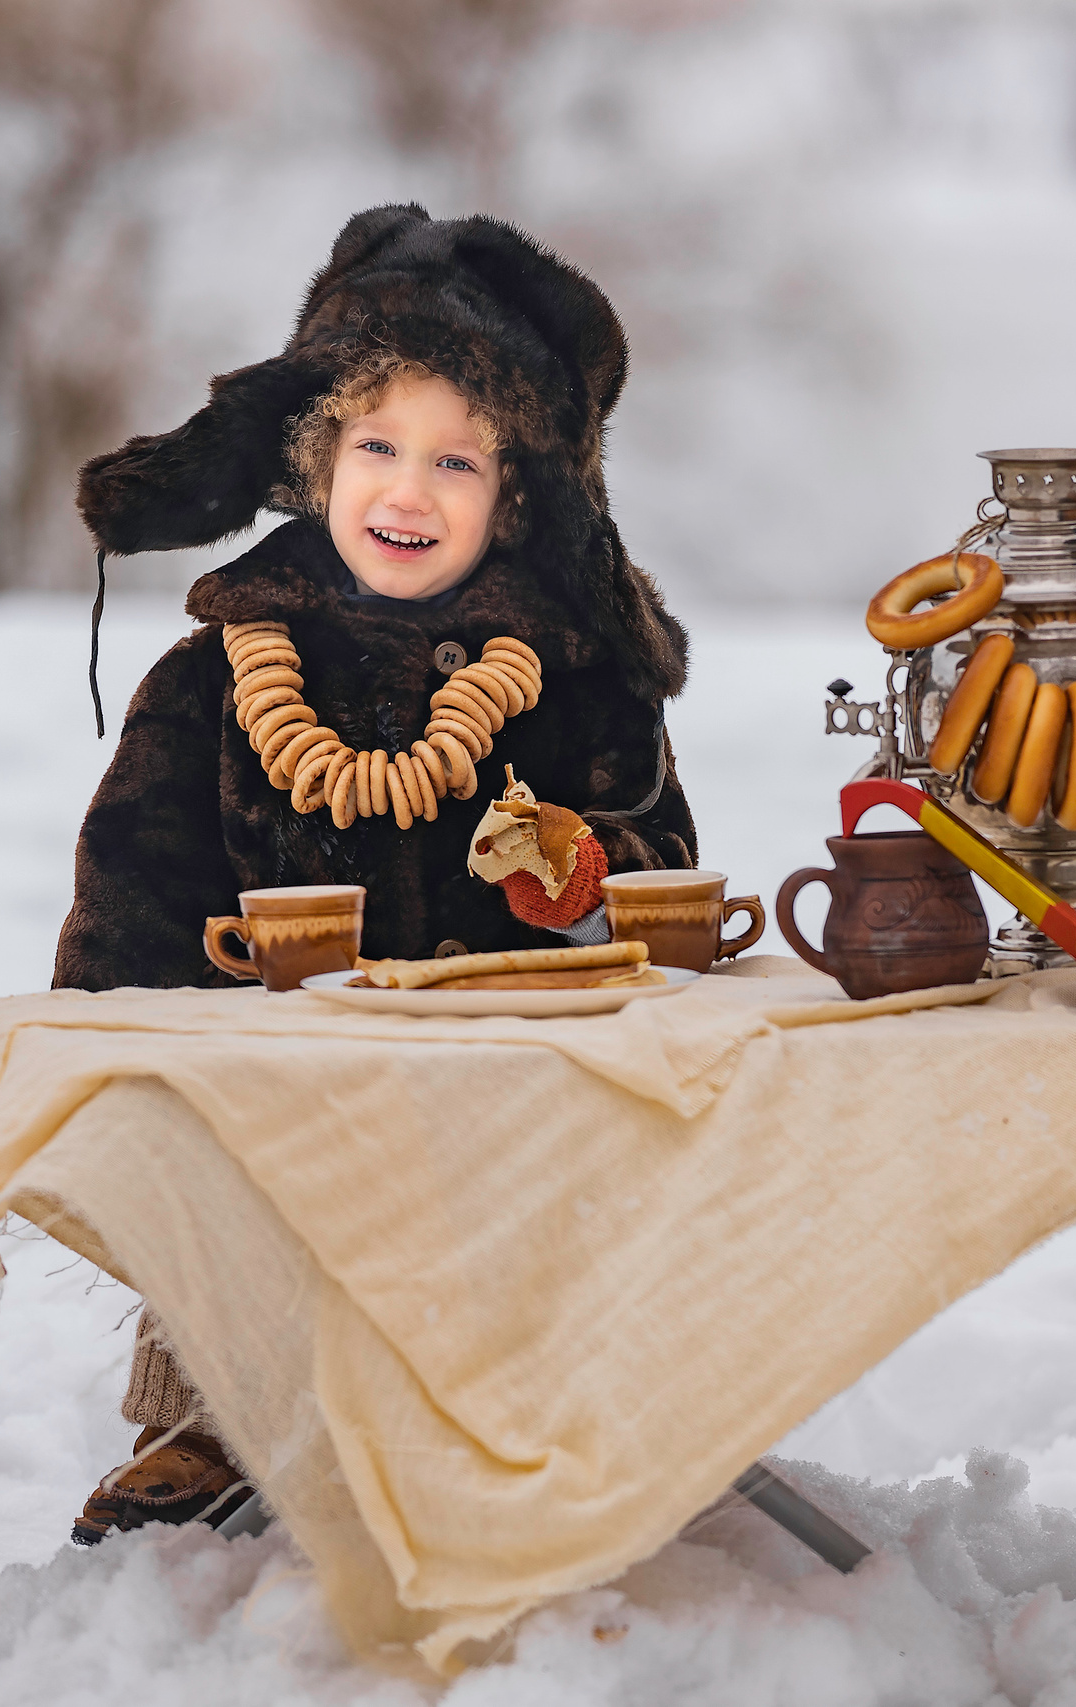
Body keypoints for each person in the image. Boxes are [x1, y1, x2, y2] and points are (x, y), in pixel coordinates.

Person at [55, 205, 699, 1543]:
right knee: (219, 1145)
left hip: (516, 1077)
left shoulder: (574, 692)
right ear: (313, 461)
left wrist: (589, 874)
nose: (407, 492)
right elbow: (136, 882)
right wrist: (111, 1040)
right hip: (277, 1081)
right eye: (377, 447)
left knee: (561, 1185)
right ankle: (205, 1413)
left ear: (514, 495)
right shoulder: (216, 681)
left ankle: (537, 1412)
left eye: (458, 463)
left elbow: (665, 862)